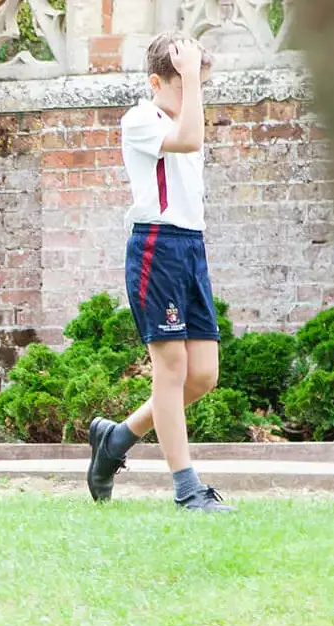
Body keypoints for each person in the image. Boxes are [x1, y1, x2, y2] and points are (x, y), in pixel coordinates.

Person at [84, 33, 235, 513]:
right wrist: (189, 76)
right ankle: (187, 489)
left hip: (191, 246)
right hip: (156, 245)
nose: (196, 96)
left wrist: (191, 81)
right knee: (170, 371)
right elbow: (188, 139)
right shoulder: (140, 119)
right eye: (188, 85)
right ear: (156, 82)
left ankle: (116, 440)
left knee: (203, 376)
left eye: (202, 87)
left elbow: (192, 132)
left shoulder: (184, 111)